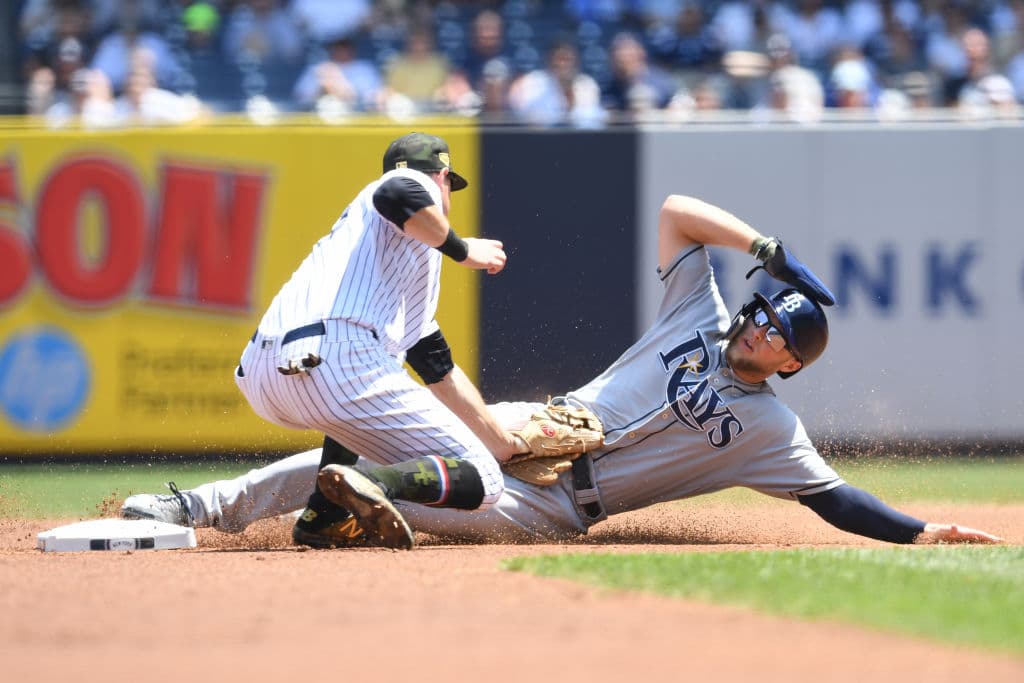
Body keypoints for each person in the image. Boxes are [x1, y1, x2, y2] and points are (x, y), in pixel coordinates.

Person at [123, 194, 1002, 548]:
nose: (765, 324)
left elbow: (833, 498)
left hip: (548, 506)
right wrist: (766, 248)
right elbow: (676, 212)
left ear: (790, 366)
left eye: (782, 333)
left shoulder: (770, 430)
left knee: (408, 482)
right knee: (389, 428)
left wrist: (921, 531)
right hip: (522, 424)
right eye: (767, 310)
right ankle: (200, 507)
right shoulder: (697, 311)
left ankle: (351, 501)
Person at [195, 132, 521, 550]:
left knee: (365, 406)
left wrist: (503, 444)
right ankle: (373, 483)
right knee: (486, 480)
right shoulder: (411, 186)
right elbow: (397, 191)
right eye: (448, 184)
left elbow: (439, 371)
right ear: (442, 177)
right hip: (334, 357)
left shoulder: (382, 263)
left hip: (266, 376)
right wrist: (464, 250)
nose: (446, 195)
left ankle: (324, 516)